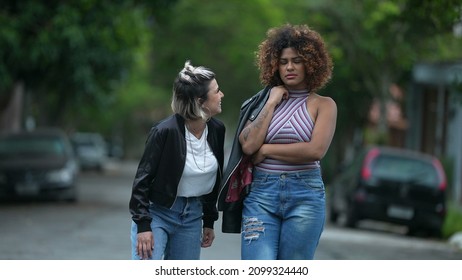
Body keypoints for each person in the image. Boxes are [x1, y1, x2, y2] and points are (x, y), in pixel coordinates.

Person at [218, 23, 336, 260]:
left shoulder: (325, 105)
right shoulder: (262, 102)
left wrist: (268, 149)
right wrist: (272, 102)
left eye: (297, 60)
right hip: (261, 195)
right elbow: (249, 146)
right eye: (283, 62)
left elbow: (315, 150)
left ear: (311, 64)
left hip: (305, 195)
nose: (289, 67)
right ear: (274, 65)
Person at [129, 60, 225, 260]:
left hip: (192, 217)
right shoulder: (165, 131)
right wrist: (143, 226)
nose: (221, 95)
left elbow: (213, 181)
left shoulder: (217, 130)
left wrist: (209, 221)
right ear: (200, 101)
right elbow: (142, 181)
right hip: (157, 213)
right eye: (217, 91)